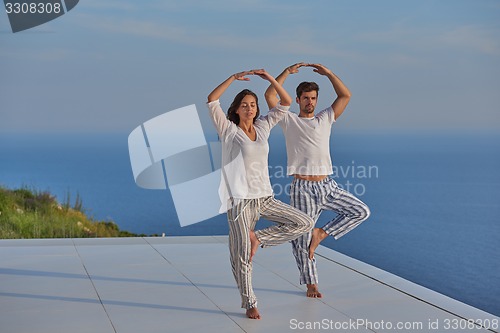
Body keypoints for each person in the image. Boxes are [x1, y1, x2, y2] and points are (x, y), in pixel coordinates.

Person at [207, 69, 314, 319]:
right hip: (240, 203)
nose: (250, 109)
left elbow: (286, 102)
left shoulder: (263, 126)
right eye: (244, 105)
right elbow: (212, 99)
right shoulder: (228, 131)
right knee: (241, 256)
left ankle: (260, 239)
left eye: (253, 105)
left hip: (265, 198)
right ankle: (250, 302)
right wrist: (232, 78)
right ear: (236, 109)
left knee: (304, 222)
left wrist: (272, 79)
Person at [264, 63, 371, 298]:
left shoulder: (326, 117)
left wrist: (330, 74)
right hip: (302, 188)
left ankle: (321, 233)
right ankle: (311, 284)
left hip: (327, 185)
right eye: (305, 98)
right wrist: (285, 73)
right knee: (301, 237)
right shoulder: (288, 119)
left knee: (361, 211)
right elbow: (270, 95)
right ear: (298, 99)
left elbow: (345, 95)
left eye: (313, 98)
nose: (310, 102)